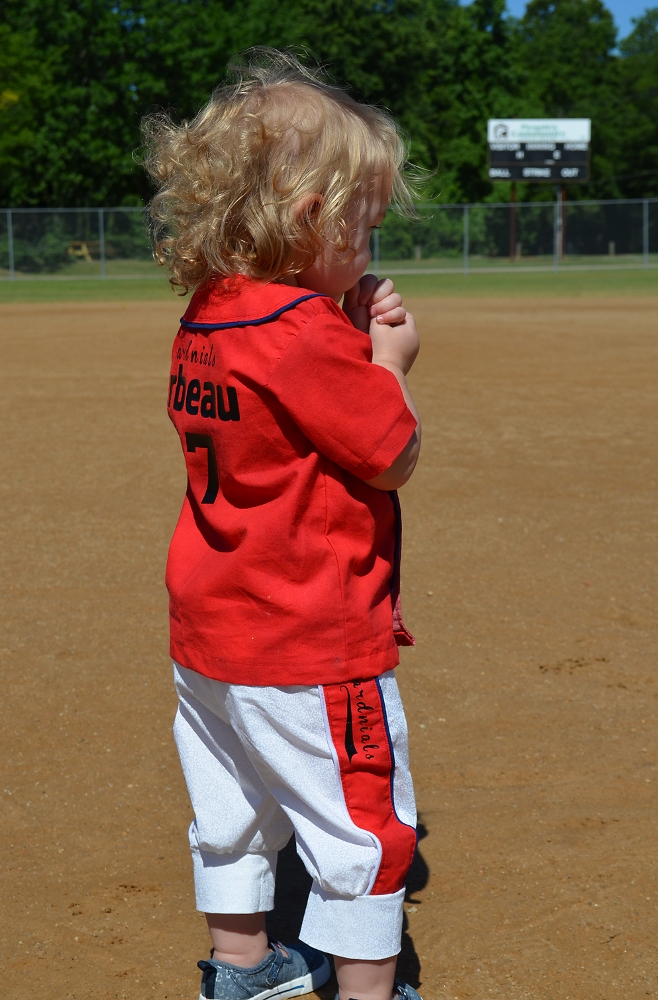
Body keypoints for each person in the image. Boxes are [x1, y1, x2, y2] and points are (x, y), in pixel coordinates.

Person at [142, 47, 423, 1000]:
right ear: (310, 218)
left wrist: (337, 318)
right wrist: (387, 356)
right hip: (310, 637)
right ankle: (369, 990)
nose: (371, 244)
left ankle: (242, 970)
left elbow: (276, 420)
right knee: (364, 838)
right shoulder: (302, 334)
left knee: (231, 812)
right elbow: (388, 450)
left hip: (213, 631)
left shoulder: (212, 309)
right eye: (363, 224)